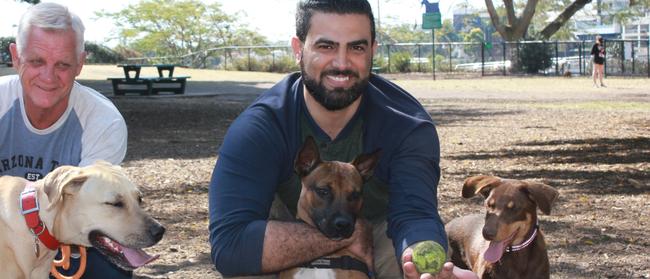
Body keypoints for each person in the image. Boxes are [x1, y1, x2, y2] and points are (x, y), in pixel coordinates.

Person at [208, 1, 477, 278]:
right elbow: (230, 245)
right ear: (299, 50)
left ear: (372, 50)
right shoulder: (260, 128)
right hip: (288, 224)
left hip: (380, 230)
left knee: (414, 269)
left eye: (356, 47)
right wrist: (346, 233)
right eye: (326, 46)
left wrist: (423, 262)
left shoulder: (407, 125)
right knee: (245, 265)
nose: (341, 63)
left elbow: (415, 214)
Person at [0, 2, 130, 278]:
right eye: (36, 61)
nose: (48, 77)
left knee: (111, 271)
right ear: (16, 56)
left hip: (65, 244)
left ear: (80, 63)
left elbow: (89, 213)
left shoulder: (103, 122)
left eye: (63, 64)